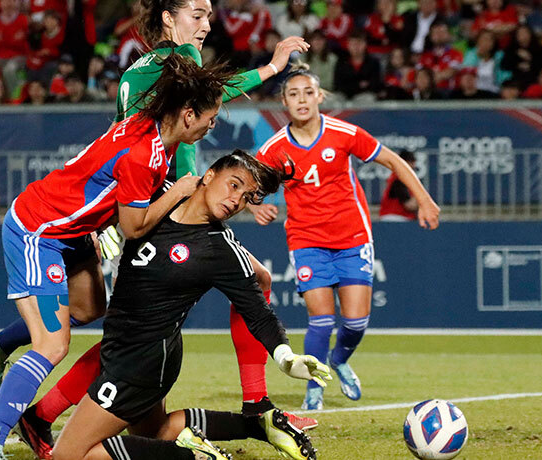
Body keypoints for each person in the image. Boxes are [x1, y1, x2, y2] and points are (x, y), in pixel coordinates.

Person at [0, 4, 316, 457]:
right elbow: (135, 203)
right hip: (56, 224)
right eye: (197, 13)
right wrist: (176, 194)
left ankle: (7, 362)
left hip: (103, 215)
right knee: (71, 339)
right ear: (169, 19)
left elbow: (199, 101)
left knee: (105, 313)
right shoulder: (160, 118)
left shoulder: (153, 93)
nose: (206, 24)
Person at [0, 54, 235, 460]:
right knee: (52, 345)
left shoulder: (149, 124)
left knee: (92, 308)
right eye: (210, 117)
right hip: (39, 231)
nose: (212, 125)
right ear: (186, 115)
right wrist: (178, 192)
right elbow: (135, 227)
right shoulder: (145, 155)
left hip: (70, 231)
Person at [49, 152, 333, 460]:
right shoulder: (162, 195)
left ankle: (192, 456)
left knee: (67, 456)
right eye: (233, 185)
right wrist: (99, 229)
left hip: (141, 364)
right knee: (154, 433)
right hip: (125, 348)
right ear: (209, 175)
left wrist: (285, 355)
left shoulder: (220, 249)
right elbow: (110, 197)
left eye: (245, 197)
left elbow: (258, 312)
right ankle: (259, 425)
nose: (235, 200)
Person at [251, 65, 440, 411]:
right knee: (321, 319)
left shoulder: (343, 133)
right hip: (306, 240)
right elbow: (247, 181)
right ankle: (314, 385)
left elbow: (393, 161)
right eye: (293, 94)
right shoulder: (275, 148)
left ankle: (338, 360)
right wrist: (255, 206)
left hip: (352, 236)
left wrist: (425, 200)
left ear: (320, 97)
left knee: (355, 321)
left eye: (308, 92)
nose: (302, 100)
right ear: (284, 102)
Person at [379, 150, 420, 221]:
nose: (413, 166)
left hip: (395, 218)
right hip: (395, 218)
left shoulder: (399, 177)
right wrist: (423, 200)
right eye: (411, 162)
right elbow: (409, 205)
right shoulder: (399, 179)